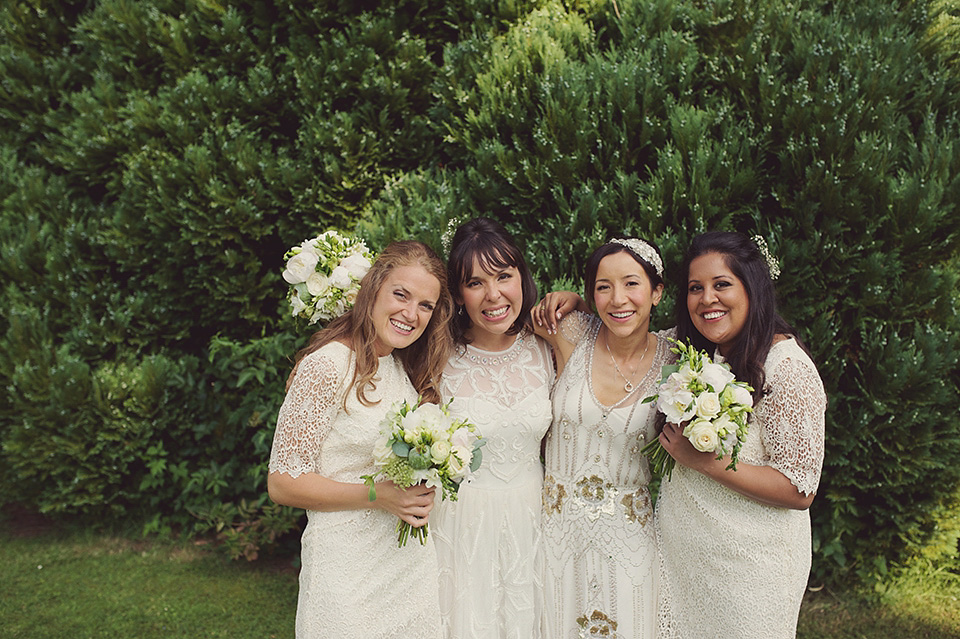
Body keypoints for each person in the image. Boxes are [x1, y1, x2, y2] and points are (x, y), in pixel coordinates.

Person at [267, 240, 454, 639]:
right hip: (346, 572)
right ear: (373, 288)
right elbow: (283, 482)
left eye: (426, 305)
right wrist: (379, 496)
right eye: (401, 295)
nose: (411, 314)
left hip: (408, 569)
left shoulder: (404, 368)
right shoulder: (328, 365)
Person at [655, 231, 826, 639]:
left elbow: (798, 489)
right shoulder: (687, 351)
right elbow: (620, 335)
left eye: (722, 285)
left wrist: (703, 462)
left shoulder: (787, 368)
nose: (706, 298)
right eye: (696, 288)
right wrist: (577, 304)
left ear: (753, 288)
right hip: (682, 562)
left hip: (750, 569)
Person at [533, 237, 671, 639]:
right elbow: (497, 317)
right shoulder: (572, 332)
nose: (618, 299)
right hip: (555, 534)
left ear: (657, 292)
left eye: (631, 283)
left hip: (630, 541)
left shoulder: (677, 357)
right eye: (603, 286)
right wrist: (566, 298)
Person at [431, 217, 556, 639]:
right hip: (461, 521)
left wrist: (572, 299)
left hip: (535, 519)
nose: (494, 294)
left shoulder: (549, 346)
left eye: (504, 276)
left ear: (522, 277)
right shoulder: (435, 356)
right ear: (458, 293)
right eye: (475, 282)